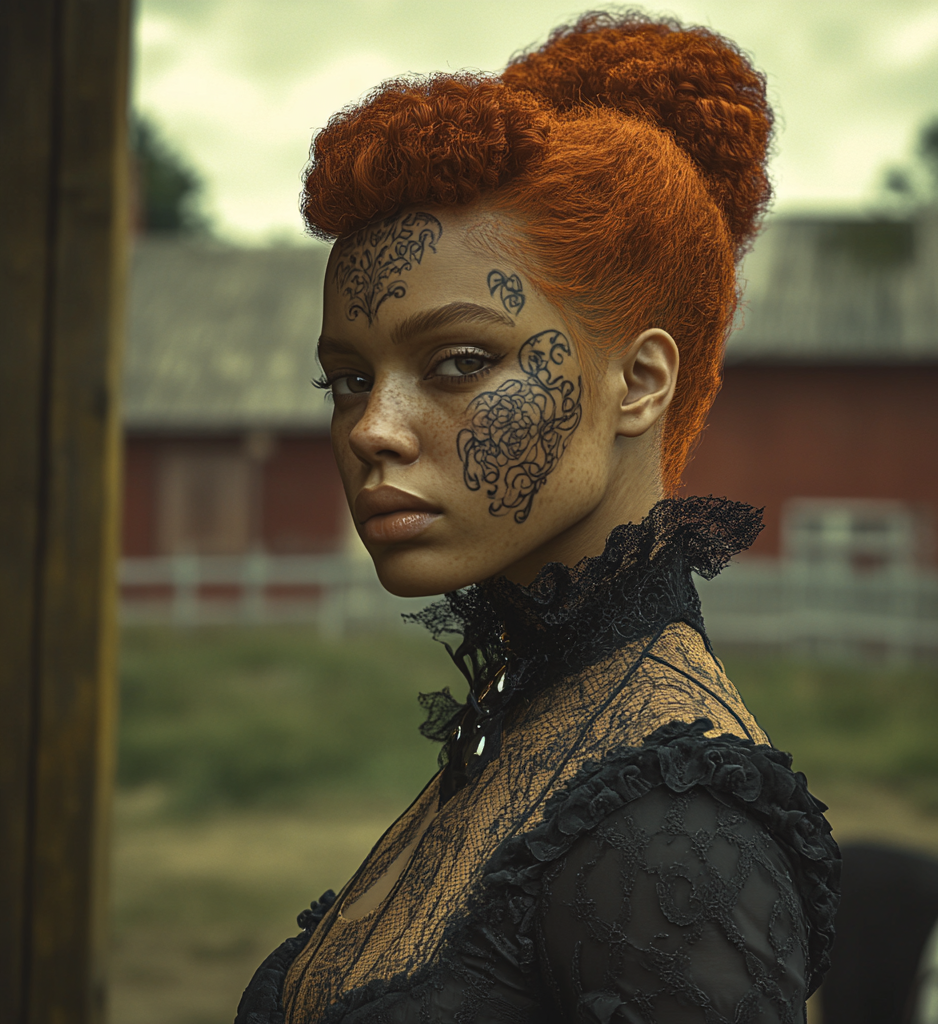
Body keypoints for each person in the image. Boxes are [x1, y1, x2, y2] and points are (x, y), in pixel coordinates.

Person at [236, 11, 840, 1023]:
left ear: (640, 381)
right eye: (345, 377)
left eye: (459, 360)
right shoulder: (541, 716)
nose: (371, 429)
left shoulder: (673, 834)